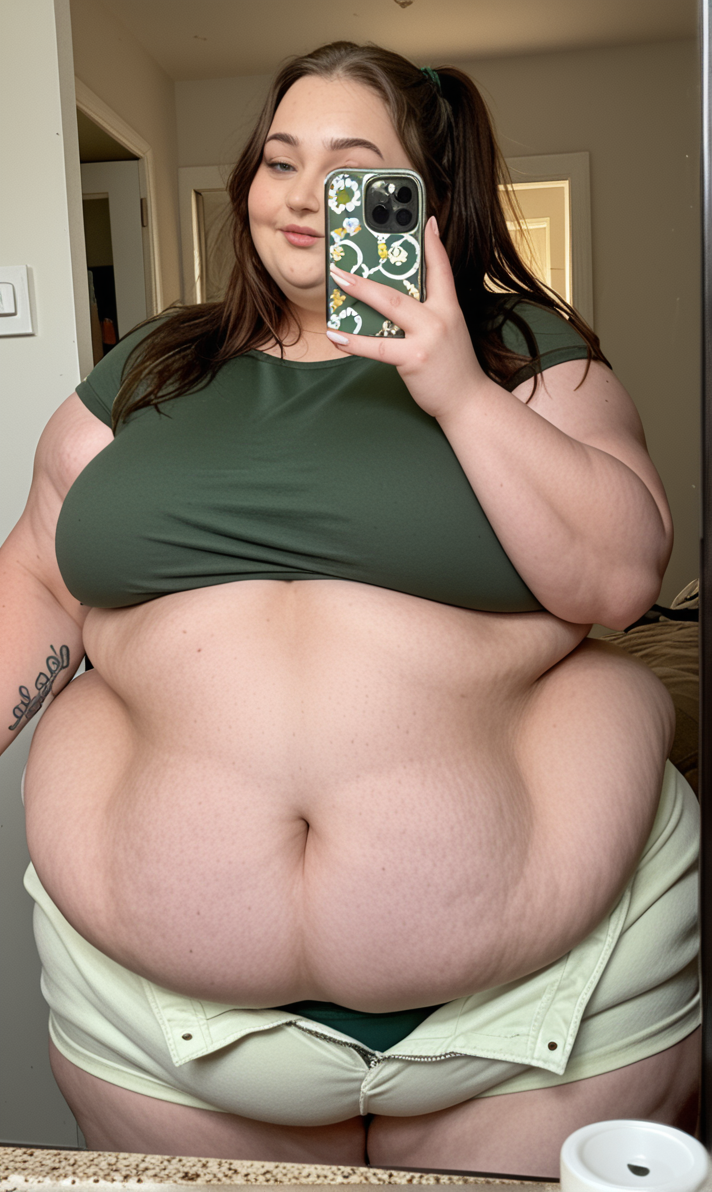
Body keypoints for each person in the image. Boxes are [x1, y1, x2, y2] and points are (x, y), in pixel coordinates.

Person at [2, 41, 698, 1176]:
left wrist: (453, 388)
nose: (300, 196)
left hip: (544, 1010)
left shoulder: (523, 354)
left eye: (349, 169)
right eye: (280, 162)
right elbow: (36, 571)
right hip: (159, 1021)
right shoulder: (156, 366)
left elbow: (620, 577)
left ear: (426, 196)